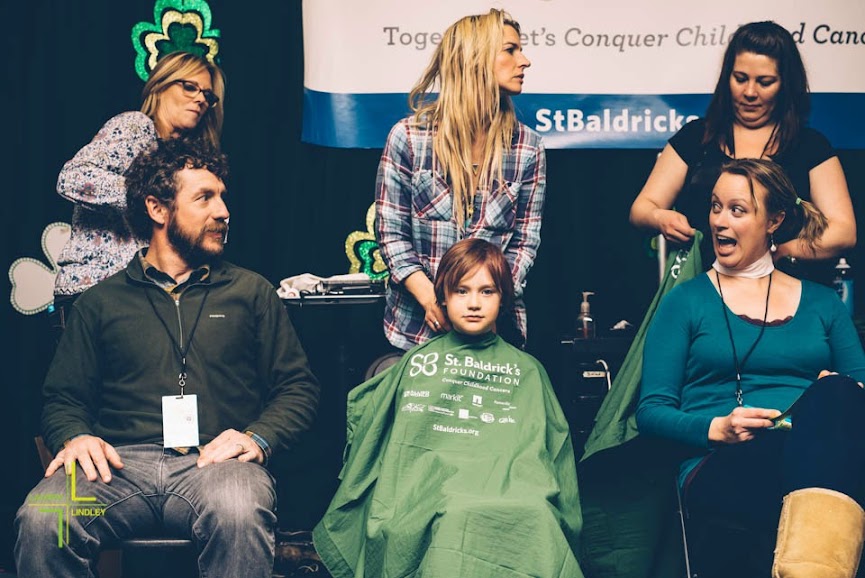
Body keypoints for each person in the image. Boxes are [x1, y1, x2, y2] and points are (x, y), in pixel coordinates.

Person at [15, 139, 320, 577]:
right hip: (118, 469)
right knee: (45, 520)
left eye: (222, 197)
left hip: (216, 465)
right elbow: (63, 397)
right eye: (204, 198)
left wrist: (258, 437)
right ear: (158, 209)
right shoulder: (100, 302)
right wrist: (74, 436)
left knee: (239, 512)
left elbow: (297, 388)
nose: (223, 212)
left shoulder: (251, 292)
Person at [636, 159, 865, 578]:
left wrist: (831, 397)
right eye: (715, 206)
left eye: (737, 210)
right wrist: (717, 428)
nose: (719, 221)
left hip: (813, 450)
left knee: (838, 395)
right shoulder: (685, 302)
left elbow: (858, 390)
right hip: (724, 461)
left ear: (774, 221)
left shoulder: (824, 304)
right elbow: (651, 411)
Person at [314, 238, 583, 578]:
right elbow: (387, 444)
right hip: (430, 490)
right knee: (453, 512)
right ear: (442, 297)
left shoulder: (528, 370)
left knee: (536, 515)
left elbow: (552, 456)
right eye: (461, 291)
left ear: (503, 298)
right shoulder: (419, 362)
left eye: (487, 291)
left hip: (516, 489)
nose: (474, 303)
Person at [629, 21, 855, 281]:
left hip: (783, 290)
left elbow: (844, 231)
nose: (749, 92)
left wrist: (782, 251)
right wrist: (660, 217)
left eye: (765, 82)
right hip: (703, 289)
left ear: (785, 84)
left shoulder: (810, 146)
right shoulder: (696, 137)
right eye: (740, 79)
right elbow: (641, 208)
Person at [376, 8, 545, 351]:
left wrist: (490, 302)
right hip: (416, 334)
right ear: (474, 58)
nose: (525, 61)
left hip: (495, 336)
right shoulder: (408, 138)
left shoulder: (528, 147)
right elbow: (392, 235)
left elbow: (525, 243)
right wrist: (432, 299)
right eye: (511, 50)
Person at [51, 51, 226, 334]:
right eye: (189, 87)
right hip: (95, 291)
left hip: (142, 296)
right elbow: (72, 177)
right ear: (161, 84)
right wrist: (150, 198)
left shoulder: (182, 157)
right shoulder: (136, 126)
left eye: (208, 95)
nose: (200, 99)